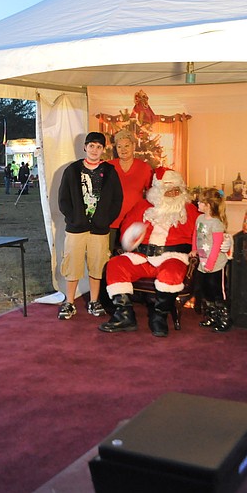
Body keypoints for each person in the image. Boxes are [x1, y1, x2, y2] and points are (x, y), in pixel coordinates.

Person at [99, 167, 199, 337]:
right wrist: (130, 238)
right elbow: (126, 231)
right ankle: (124, 315)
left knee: (172, 272)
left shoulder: (190, 211)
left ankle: (159, 316)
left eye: (177, 190)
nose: (174, 194)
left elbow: (204, 233)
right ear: (158, 191)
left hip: (172, 257)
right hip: (142, 257)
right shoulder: (142, 207)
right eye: (169, 191)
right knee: (116, 264)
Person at [57, 132, 122, 320]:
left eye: (99, 147)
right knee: (72, 264)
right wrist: (74, 218)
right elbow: (63, 199)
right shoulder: (72, 170)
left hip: (100, 229)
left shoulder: (110, 171)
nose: (95, 150)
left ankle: (94, 301)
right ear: (85, 147)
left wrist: (105, 220)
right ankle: (69, 302)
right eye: (91, 146)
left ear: (104, 150)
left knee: (97, 264)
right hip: (77, 228)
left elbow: (117, 200)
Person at [191, 188, 232, 332]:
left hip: (215, 265)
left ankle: (224, 318)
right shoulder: (199, 219)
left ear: (208, 205)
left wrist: (210, 264)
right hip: (203, 262)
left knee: (217, 292)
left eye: (201, 202)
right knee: (205, 290)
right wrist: (194, 248)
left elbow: (216, 246)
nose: (198, 203)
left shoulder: (216, 223)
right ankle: (212, 316)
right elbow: (196, 234)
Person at [107, 129, 154, 252]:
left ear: (133, 146)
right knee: (109, 259)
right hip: (111, 222)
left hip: (133, 223)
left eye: (127, 145)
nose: (123, 149)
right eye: (119, 146)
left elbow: (152, 195)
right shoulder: (108, 166)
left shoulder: (144, 168)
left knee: (131, 260)